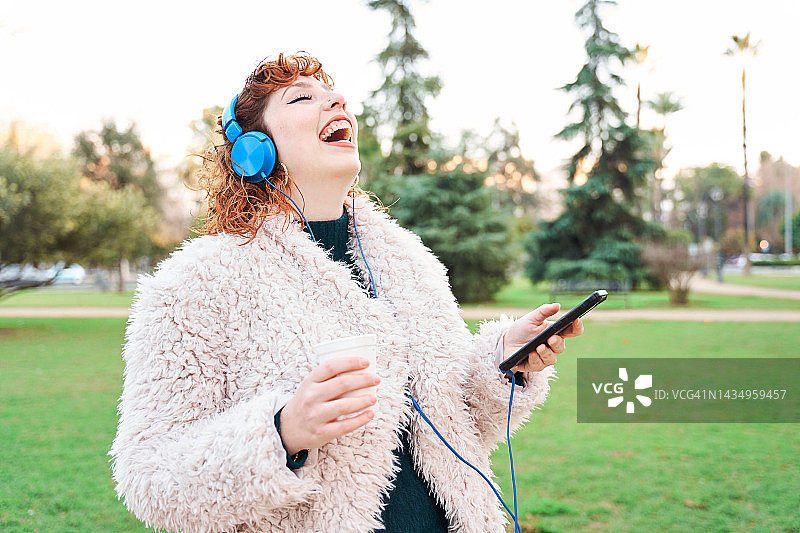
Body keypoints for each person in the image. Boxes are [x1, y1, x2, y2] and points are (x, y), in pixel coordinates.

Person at [109, 52, 583, 533]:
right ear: (255, 149)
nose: (337, 100)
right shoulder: (197, 283)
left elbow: (461, 424)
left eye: (333, 93)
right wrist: (282, 432)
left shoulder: (411, 265)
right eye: (301, 97)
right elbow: (149, 475)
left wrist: (505, 358)